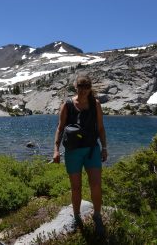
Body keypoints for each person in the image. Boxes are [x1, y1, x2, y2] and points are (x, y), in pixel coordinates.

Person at [53, 74, 108, 235]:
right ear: (75, 87)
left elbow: (101, 128)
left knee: (96, 185)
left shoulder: (95, 104)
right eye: (80, 86)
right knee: (76, 188)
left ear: (90, 88)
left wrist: (104, 148)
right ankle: (76, 217)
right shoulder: (68, 105)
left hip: (92, 149)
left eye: (86, 86)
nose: (83, 90)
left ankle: (97, 217)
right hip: (73, 152)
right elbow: (60, 128)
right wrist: (56, 150)